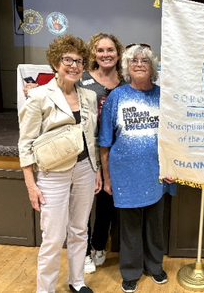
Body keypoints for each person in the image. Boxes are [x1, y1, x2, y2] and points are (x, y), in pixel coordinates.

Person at [18, 34, 101, 293]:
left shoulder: (88, 96)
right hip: (52, 173)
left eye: (79, 61)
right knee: (53, 238)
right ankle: (45, 290)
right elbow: (26, 145)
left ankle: (77, 281)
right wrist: (31, 185)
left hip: (85, 170)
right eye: (68, 60)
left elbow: (92, 138)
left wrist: (95, 170)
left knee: (79, 230)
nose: (74, 65)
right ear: (55, 62)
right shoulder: (39, 96)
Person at [98, 44, 176, 293]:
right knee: (130, 226)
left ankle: (154, 266)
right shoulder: (117, 96)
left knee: (155, 223)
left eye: (144, 60)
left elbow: (175, 136)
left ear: (152, 67)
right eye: (134, 61)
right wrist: (107, 177)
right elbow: (105, 143)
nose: (139, 63)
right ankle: (130, 271)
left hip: (157, 172)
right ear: (127, 67)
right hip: (125, 172)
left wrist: (173, 166)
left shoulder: (163, 96)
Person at [80, 33, 125, 274]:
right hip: (87, 150)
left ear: (118, 53)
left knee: (107, 202)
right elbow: (57, 88)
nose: (105, 54)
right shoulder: (82, 79)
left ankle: (99, 245)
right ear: (93, 54)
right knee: (85, 204)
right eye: (100, 50)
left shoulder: (126, 81)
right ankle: (85, 252)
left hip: (115, 151)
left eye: (110, 50)